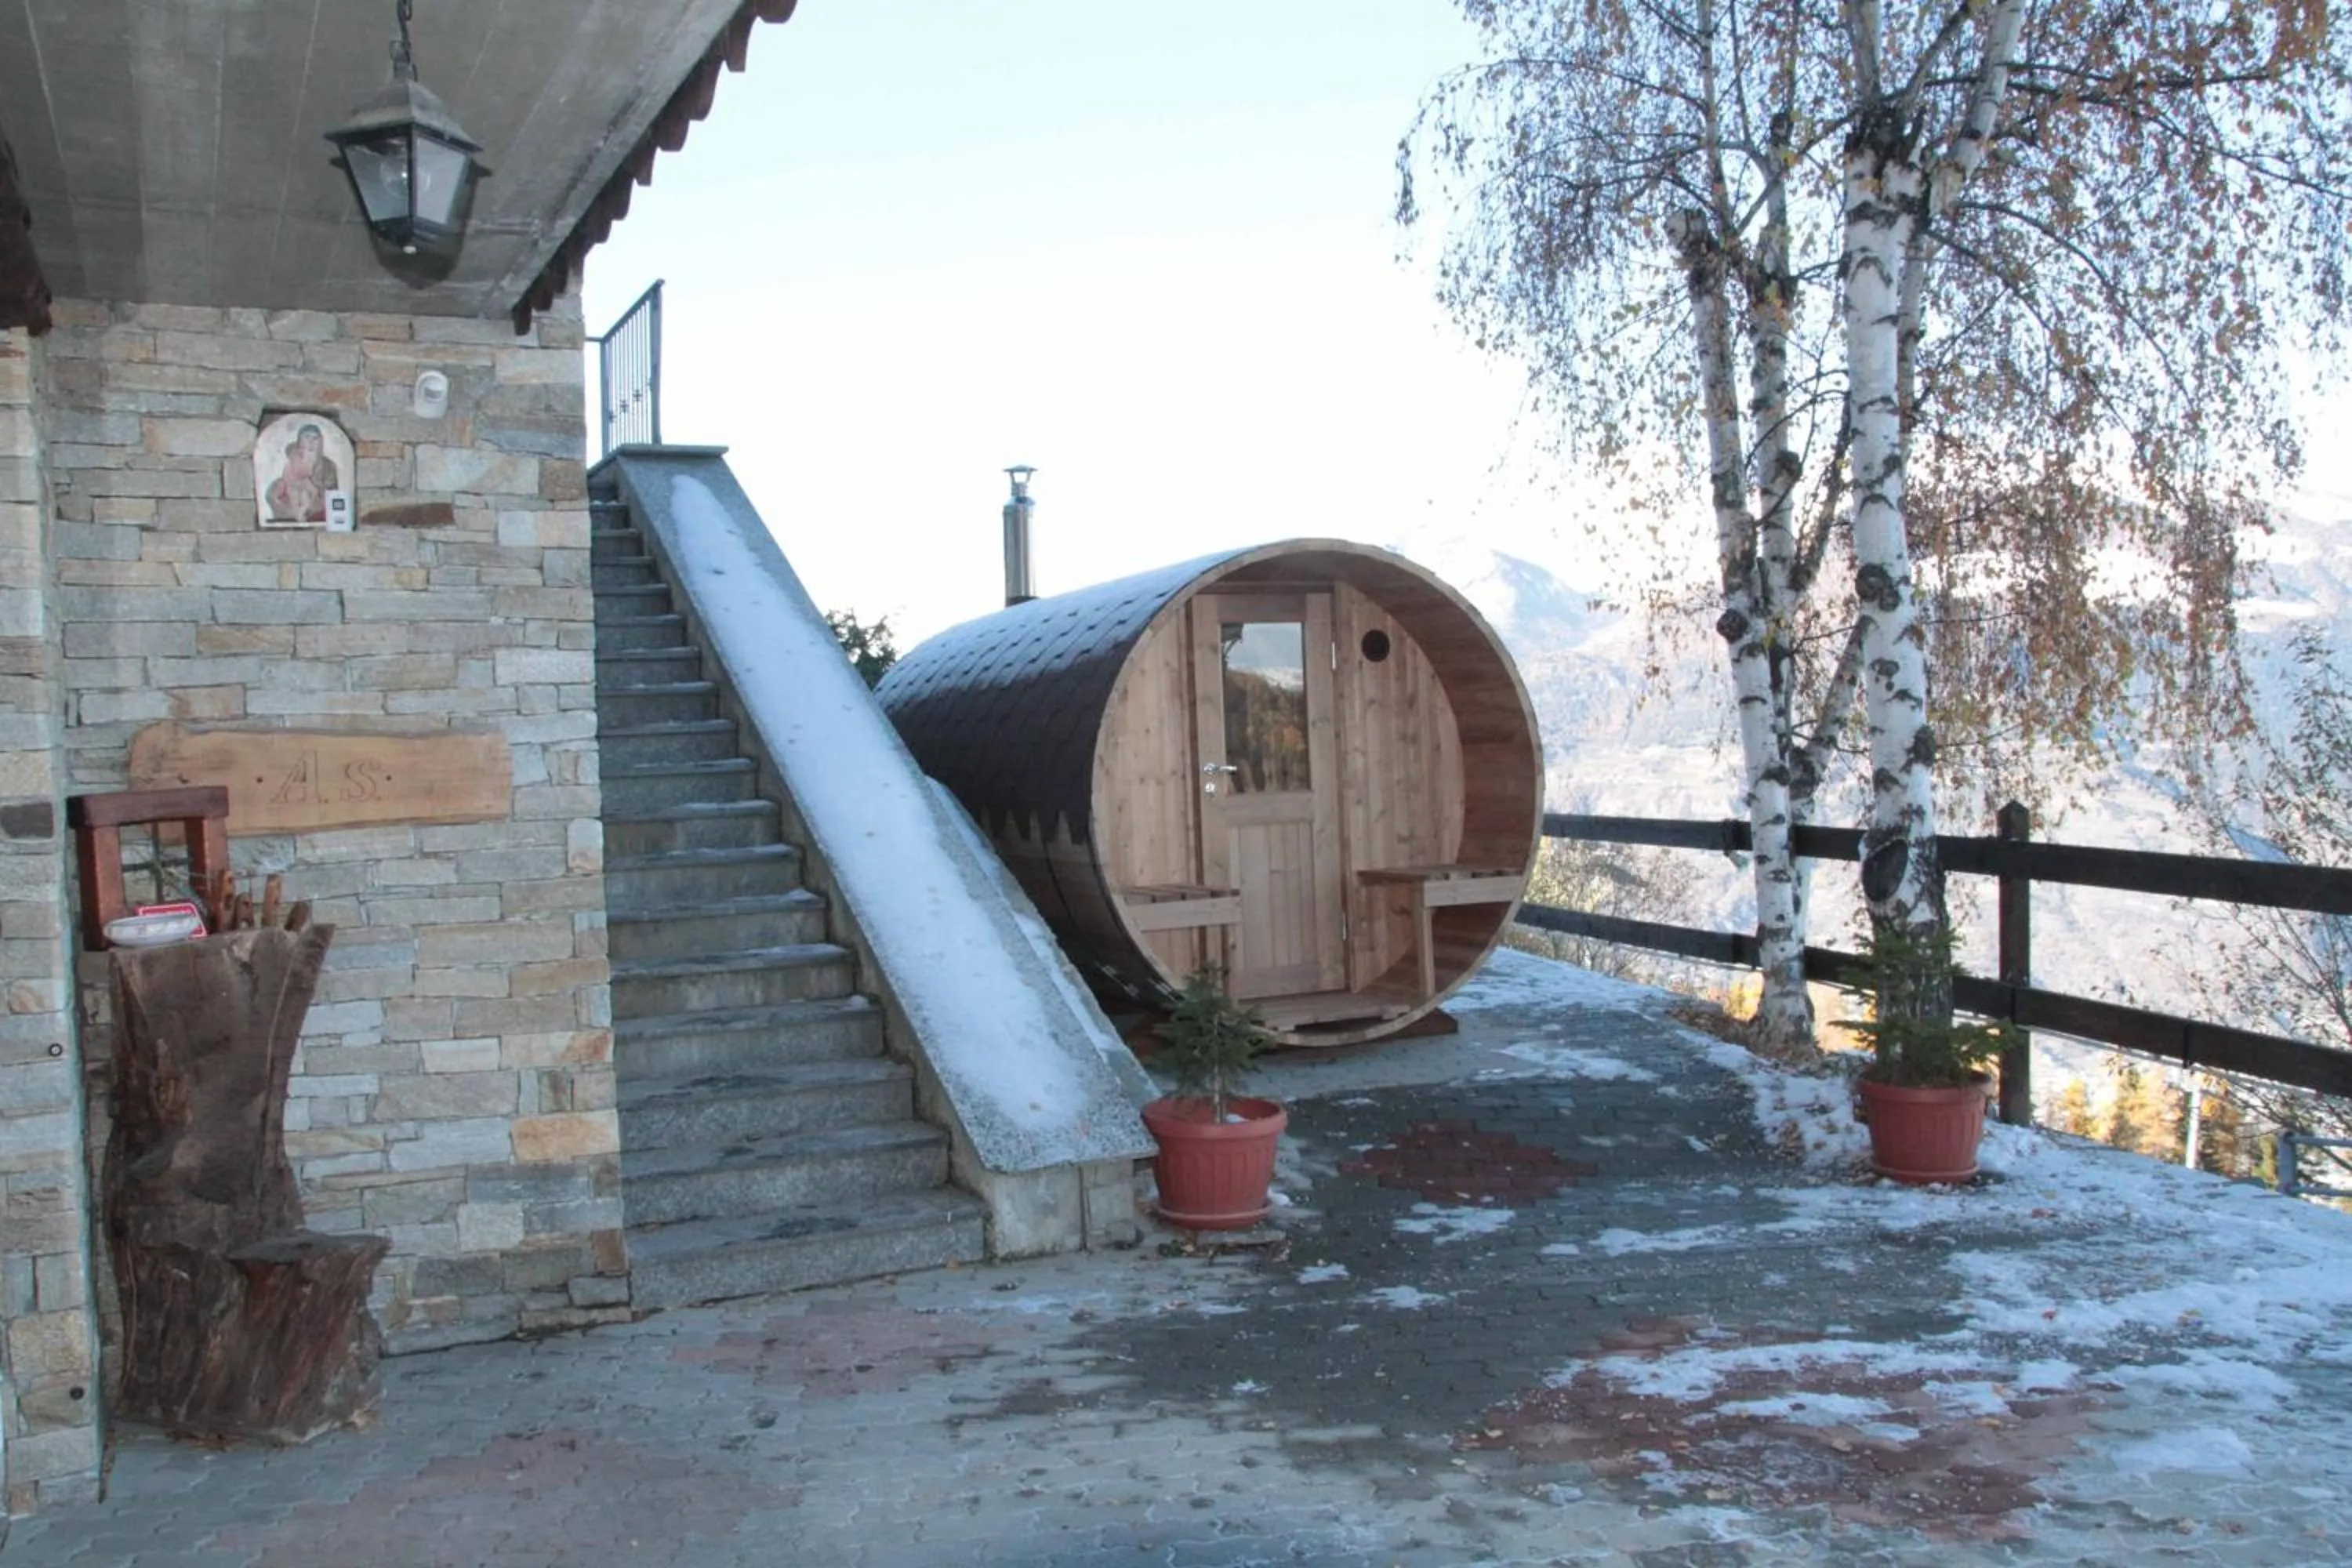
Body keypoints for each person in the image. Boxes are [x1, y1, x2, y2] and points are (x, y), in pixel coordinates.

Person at [266, 423, 340, 522]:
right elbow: (287, 477)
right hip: (293, 492)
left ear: (320, 442)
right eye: (307, 437)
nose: (311, 442)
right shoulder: (294, 457)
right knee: (275, 492)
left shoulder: (328, 466)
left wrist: (312, 488)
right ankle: (294, 514)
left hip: (316, 501)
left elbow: (332, 492)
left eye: (315, 439)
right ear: (300, 441)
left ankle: (302, 512)